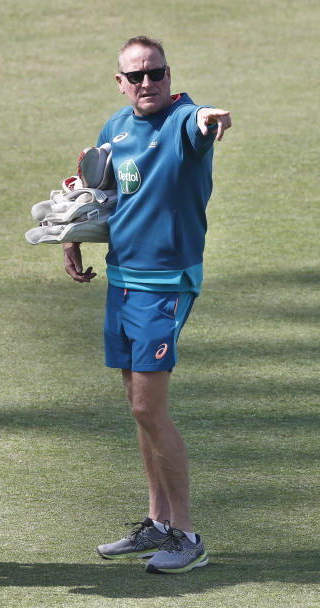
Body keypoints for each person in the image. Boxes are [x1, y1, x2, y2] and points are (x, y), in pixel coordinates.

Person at [64, 36, 232, 574]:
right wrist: (72, 233)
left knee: (147, 407)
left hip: (165, 283)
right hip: (122, 279)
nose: (146, 84)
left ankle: (186, 535)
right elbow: (105, 194)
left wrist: (210, 117)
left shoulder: (183, 120)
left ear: (168, 74)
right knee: (137, 404)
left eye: (154, 73)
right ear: (120, 82)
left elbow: (201, 120)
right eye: (134, 76)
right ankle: (158, 523)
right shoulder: (115, 127)